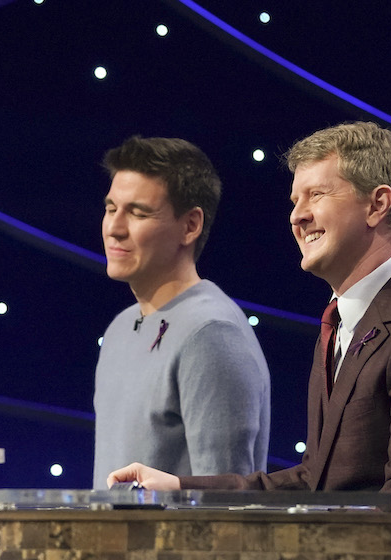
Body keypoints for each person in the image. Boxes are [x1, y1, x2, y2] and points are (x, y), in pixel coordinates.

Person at [109, 122, 391, 494]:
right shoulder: (341, 323)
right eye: (295, 200)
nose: (297, 215)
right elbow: (315, 480)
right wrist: (179, 487)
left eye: (317, 195)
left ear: (377, 204)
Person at [92, 136, 270, 489]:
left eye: (138, 212)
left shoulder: (211, 332)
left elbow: (225, 509)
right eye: (111, 209)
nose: (114, 228)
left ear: (190, 225)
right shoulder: (119, 327)